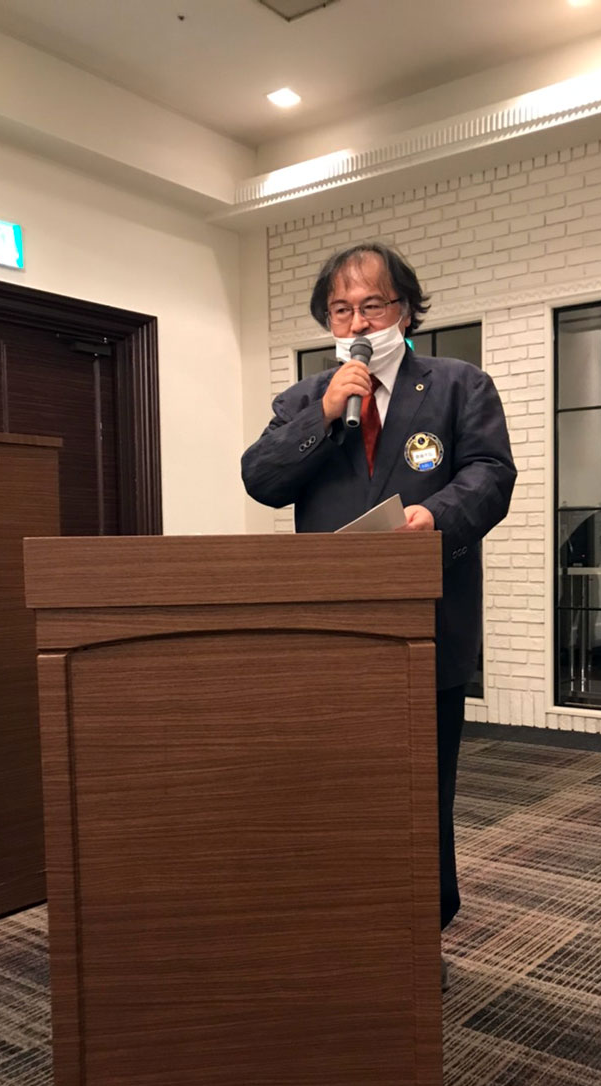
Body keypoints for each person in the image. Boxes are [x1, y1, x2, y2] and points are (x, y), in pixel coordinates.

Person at [241, 241, 516, 959]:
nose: (358, 322)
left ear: (406, 311)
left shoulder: (459, 386)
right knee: (335, 790)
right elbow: (261, 479)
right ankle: (343, 931)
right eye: (341, 310)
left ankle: (422, 938)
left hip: (427, 625)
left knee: (422, 791)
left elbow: (491, 474)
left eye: (373, 305)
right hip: (329, 635)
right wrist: (325, 414)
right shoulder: (305, 399)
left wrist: (437, 517)